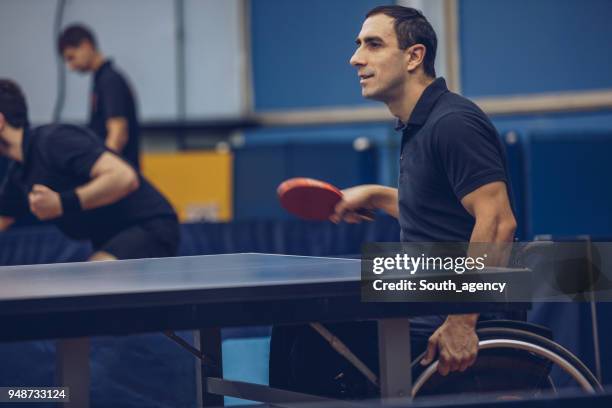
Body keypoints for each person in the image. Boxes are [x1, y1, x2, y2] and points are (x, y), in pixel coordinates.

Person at [270, 5, 517, 399]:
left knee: (311, 337)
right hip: (427, 289)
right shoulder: (419, 126)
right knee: (293, 319)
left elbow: (499, 222)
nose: (355, 58)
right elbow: (445, 214)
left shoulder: (453, 123)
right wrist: (378, 194)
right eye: (358, 45)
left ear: (414, 56)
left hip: (458, 308)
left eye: (373, 44)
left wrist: (461, 322)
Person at [0, 79, 179, 261]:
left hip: (149, 226)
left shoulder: (54, 141)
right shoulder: (18, 175)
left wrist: (62, 203)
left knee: (96, 276)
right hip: (110, 239)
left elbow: (124, 177)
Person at [58, 24, 140, 169]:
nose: (71, 66)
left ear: (86, 45)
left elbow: (118, 133)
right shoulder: (101, 80)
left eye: (71, 57)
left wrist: (104, 170)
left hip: (120, 179)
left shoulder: (109, 80)